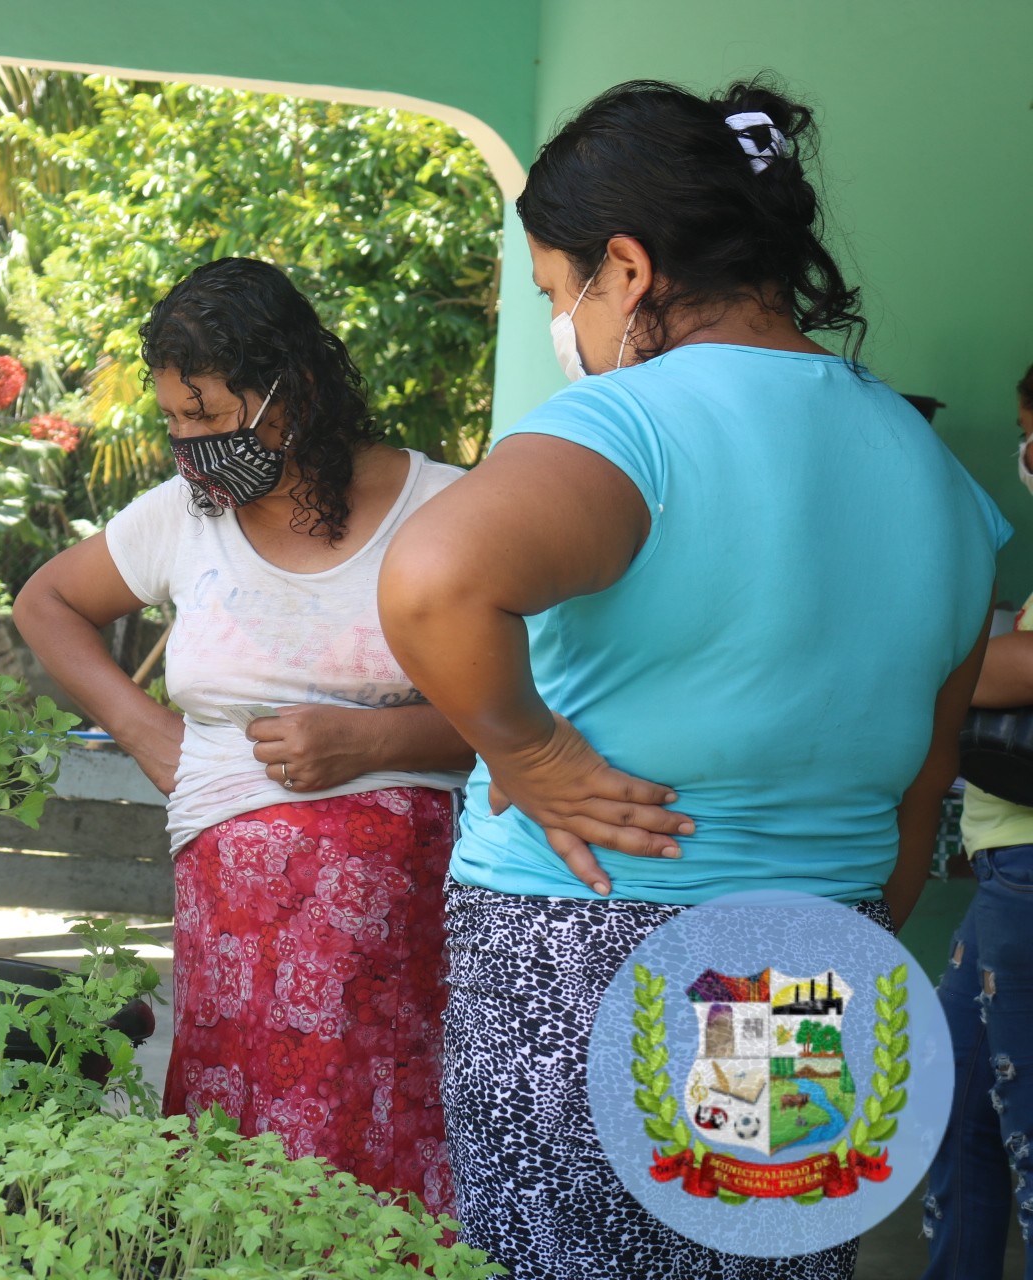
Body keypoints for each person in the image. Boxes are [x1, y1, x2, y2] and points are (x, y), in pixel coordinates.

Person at [376, 80, 1006, 1279]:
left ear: (627, 267)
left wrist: (530, 751)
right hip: (819, 947)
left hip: (587, 949)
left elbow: (431, 580)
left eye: (558, 292)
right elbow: (926, 771)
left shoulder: (633, 425)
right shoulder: (933, 473)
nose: (564, 324)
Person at [15, 257, 472, 1207]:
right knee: (240, 1172)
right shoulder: (185, 517)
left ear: (292, 392)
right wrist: (145, 733)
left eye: (211, 418)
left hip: (408, 941)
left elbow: (527, 716)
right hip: (236, 928)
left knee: (392, 1159)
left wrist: (372, 745)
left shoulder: (447, 510)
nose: (189, 446)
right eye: (175, 420)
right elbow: (47, 601)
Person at [920, 361, 1033, 1280]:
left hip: (1030, 876)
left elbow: (1006, 674)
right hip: (1005, 868)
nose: (1027, 453)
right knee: (959, 1114)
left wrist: (919, 649)